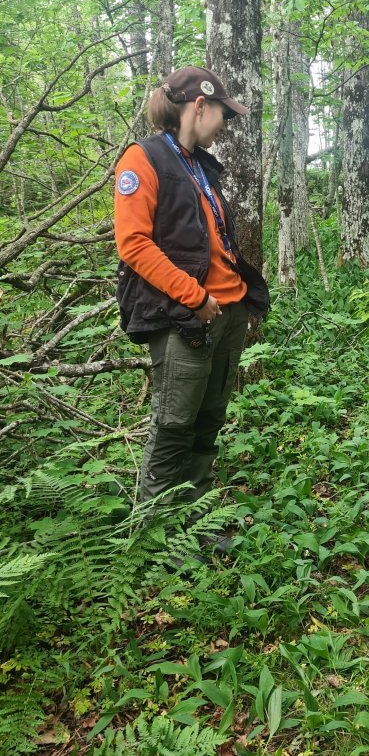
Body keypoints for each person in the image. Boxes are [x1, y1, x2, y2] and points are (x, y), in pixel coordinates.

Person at [114, 65, 270, 512]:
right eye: (222, 112)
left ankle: (195, 517)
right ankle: (157, 529)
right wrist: (195, 296)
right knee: (174, 423)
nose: (224, 123)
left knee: (208, 418)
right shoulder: (143, 159)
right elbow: (133, 244)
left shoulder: (201, 165)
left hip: (228, 311)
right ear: (198, 106)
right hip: (184, 317)